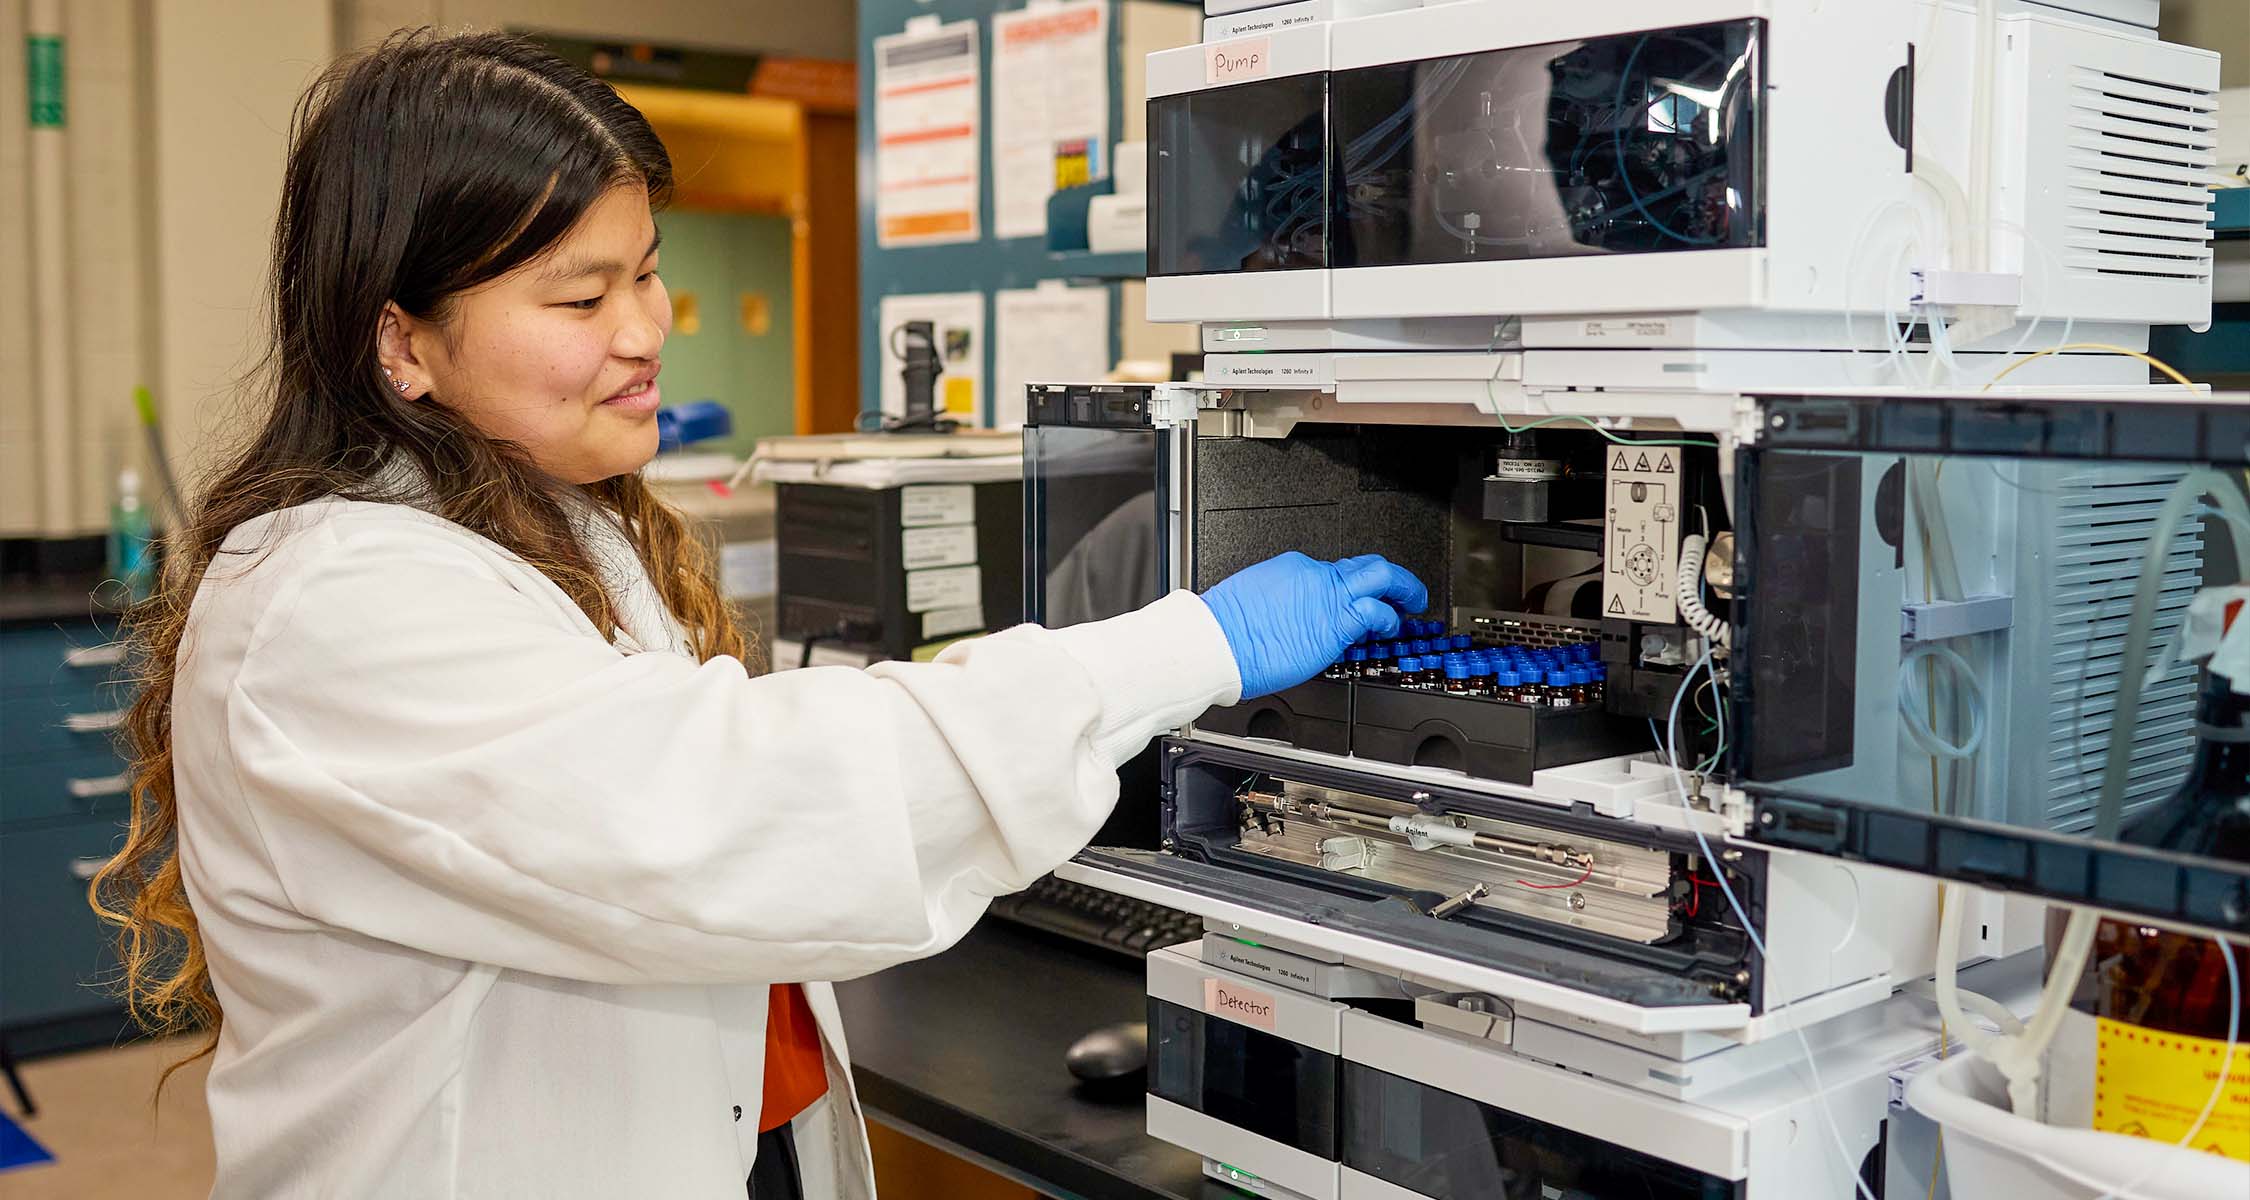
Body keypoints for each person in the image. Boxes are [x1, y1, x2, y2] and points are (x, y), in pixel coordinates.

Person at [91, 31, 1428, 1200]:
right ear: (401, 345)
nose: (643, 331)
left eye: (645, 272)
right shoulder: (333, 600)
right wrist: (1186, 644)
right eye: (578, 295)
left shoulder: (567, 526)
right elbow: (722, 806)